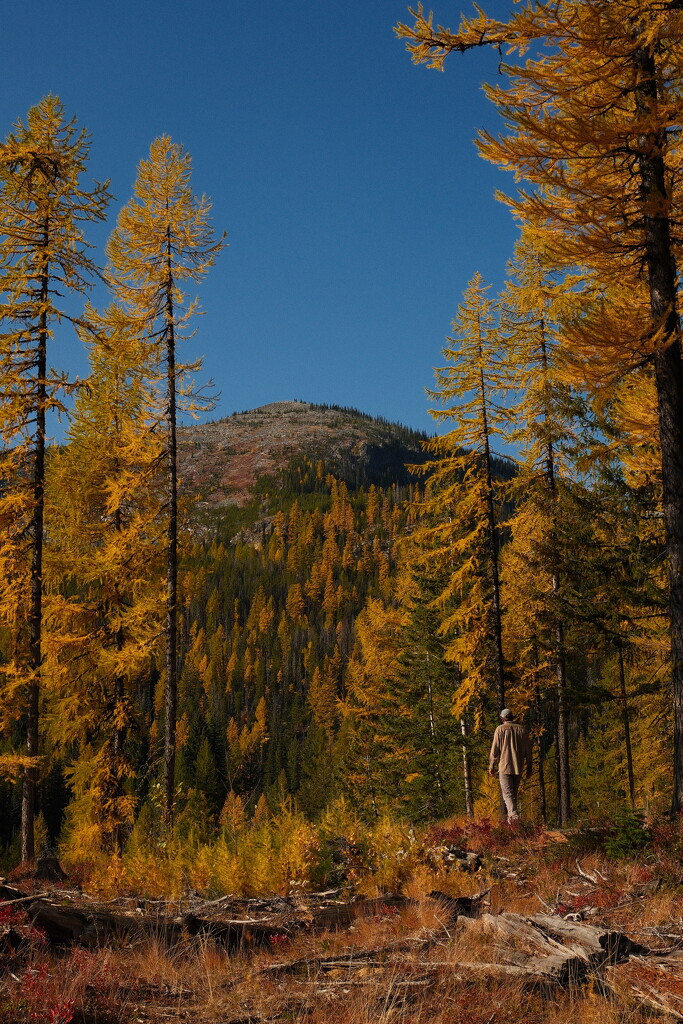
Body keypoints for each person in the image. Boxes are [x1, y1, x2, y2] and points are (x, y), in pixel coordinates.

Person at [488, 709, 532, 822]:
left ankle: (514, 817)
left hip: (505, 766)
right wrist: (529, 767)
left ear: (503, 718)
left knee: (507, 794)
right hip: (518, 766)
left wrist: (491, 766)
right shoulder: (522, 729)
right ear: (512, 717)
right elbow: (528, 750)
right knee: (513, 795)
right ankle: (512, 822)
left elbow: (494, 750)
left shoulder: (500, 729)